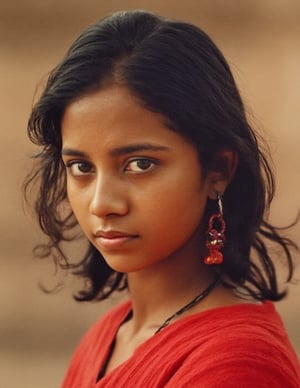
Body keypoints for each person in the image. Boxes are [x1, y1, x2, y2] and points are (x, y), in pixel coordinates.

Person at [25, 10, 300, 387]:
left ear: (217, 170)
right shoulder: (109, 335)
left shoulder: (236, 365)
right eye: (81, 167)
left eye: (140, 164)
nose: (102, 203)